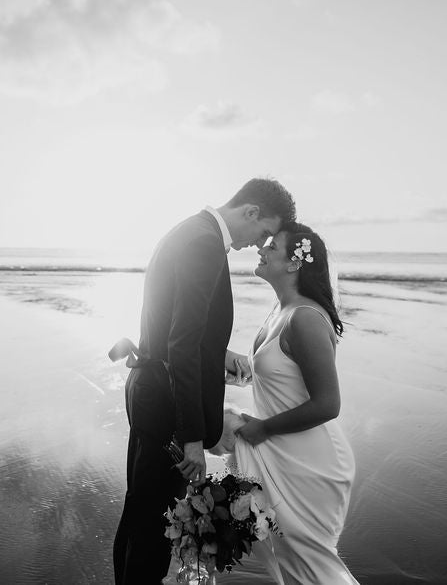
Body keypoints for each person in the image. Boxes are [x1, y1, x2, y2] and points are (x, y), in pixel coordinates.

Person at [110, 178, 297, 584]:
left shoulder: (192, 229)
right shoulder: (204, 243)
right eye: (263, 232)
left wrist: (218, 354)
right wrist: (193, 437)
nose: (257, 243)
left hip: (152, 390)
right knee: (152, 527)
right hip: (165, 403)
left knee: (139, 512)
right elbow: (181, 343)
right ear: (250, 212)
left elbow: (175, 328)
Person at [223, 222, 358, 584]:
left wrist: (263, 428)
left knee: (313, 566)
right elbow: (273, 374)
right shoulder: (280, 311)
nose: (260, 250)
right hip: (278, 452)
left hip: (308, 461)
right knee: (290, 564)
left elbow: (328, 403)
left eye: (271, 246)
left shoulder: (306, 318)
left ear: (295, 263)